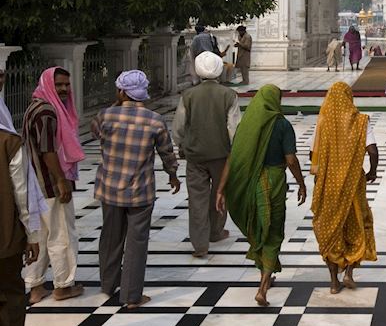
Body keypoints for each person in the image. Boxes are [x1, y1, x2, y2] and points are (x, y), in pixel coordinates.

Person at [91, 70, 181, 309]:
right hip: (140, 191)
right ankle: (131, 296)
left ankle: (108, 284)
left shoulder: (105, 116)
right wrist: (173, 175)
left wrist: (115, 105)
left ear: (121, 91)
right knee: (136, 242)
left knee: (110, 237)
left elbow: (95, 133)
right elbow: (166, 152)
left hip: (110, 188)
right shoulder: (154, 120)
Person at [216, 85, 307, 306]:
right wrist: (301, 183)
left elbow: (232, 158)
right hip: (274, 181)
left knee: (258, 226)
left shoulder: (246, 125)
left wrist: (220, 189)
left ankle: (264, 275)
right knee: (273, 230)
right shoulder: (282, 124)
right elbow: (291, 160)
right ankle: (263, 287)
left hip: (250, 182)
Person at [310, 82, 378, 293]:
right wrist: (372, 171)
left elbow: (313, 154)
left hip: (328, 184)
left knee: (331, 228)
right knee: (356, 224)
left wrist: (318, 178)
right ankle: (348, 272)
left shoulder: (323, 122)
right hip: (353, 184)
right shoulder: (361, 121)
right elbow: (373, 151)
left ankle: (333, 281)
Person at [23, 67, 85, 303]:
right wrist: (61, 180)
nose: (64, 89)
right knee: (62, 235)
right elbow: (48, 150)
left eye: (66, 85)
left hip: (35, 185)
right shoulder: (47, 111)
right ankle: (63, 285)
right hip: (49, 184)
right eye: (59, 85)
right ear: (49, 84)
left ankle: (36, 286)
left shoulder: (35, 106)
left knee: (40, 235)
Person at [172, 52, 241, 258]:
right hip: (221, 155)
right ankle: (216, 232)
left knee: (197, 198)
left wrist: (182, 145)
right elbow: (233, 128)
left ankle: (200, 244)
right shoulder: (228, 95)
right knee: (220, 194)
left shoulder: (189, 95)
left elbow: (179, 127)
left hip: (195, 156)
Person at [0, 67, 41, 326]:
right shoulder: (9, 142)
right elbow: (22, 194)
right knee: (11, 297)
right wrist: (33, 235)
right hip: (6, 240)